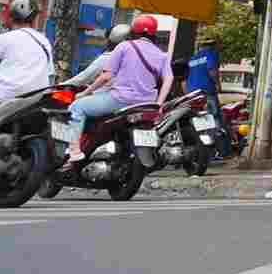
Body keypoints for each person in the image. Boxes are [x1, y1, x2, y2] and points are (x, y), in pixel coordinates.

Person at [66, 13, 172, 162]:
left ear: (133, 31)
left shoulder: (124, 46)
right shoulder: (162, 55)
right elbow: (169, 79)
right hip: (146, 104)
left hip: (121, 100)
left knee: (77, 107)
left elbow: (106, 77)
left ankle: (74, 151)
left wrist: (84, 93)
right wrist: (159, 104)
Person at [0, 0, 52, 105]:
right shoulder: (44, 41)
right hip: (38, 96)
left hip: (6, 93)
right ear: (34, 20)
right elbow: (50, 73)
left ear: (11, 18)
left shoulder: (5, 38)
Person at [62, 24, 132, 91]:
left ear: (109, 40)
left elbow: (84, 77)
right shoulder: (132, 56)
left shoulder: (108, 57)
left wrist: (60, 85)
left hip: (109, 96)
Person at [187, 32, 223, 126]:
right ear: (215, 44)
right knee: (213, 119)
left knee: (197, 120)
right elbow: (212, 70)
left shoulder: (193, 58)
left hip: (192, 95)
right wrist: (218, 85)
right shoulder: (211, 53)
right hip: (206, 93)